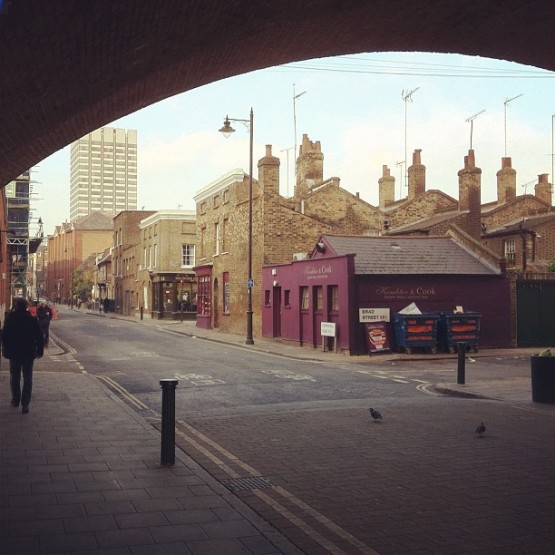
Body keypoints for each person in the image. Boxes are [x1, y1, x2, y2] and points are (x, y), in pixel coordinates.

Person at [2, 298, 44, 414]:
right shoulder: (31, 319)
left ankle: (16, 400)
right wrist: (40, 351)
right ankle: (25, 403)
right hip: (28, 353)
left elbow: (5, 335)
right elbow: (39, 336)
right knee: (28, 377)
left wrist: (5, 350)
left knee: (15, 377)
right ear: (26, 307)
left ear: (16, 306)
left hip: (14, 353)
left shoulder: (11, 319)